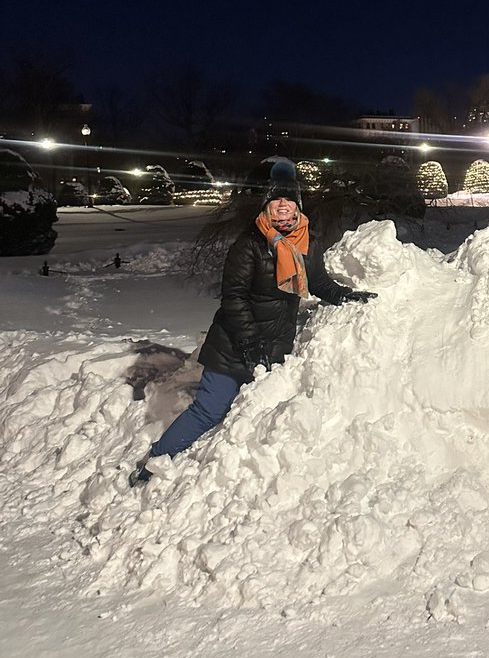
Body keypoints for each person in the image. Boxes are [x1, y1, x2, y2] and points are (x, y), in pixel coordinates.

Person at [127, 161, 376, 485]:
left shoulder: (305, 244)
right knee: (210, 411)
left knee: (259, 417)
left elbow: (319, 284)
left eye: (289, 201)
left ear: (298, 206)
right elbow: (234, 299)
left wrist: (349, 297)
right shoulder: (249, 246)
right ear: (267, 206)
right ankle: (152, 463)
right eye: (276, 201)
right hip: (232, 348)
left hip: (273, 349)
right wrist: (249, 344)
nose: (283, 206)